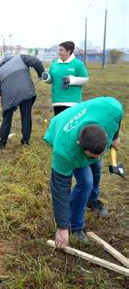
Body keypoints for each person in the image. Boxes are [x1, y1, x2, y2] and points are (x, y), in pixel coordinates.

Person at [43, 97, 123, 248]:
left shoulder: (113, 109)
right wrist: (62, 227)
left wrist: (116, 137)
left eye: (101, 153)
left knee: (97, 167)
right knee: (86, 182)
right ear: (81, 146)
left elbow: (118, 116)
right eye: (92, 156)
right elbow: (60, 189)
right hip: (60, 127)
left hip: (94, 116)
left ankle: (91, 200)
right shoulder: (65, 152)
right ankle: (75, 226)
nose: (98, 157)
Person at [0, 54, 45, 148]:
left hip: (9, 96)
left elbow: (0, 91)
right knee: (26, 116)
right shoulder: (21, 57)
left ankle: (2, 143)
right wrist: (41, 74)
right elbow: (36, 62)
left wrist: (10, 103)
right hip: (26, 91)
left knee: (7, 118)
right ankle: (25, 141)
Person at [41, 41, 89, 116]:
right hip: (57, 100)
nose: (59, 52)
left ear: (69, 51)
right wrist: (46, 78)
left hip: (72, 101)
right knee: (59, 124)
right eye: (58, 50)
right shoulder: (54, 64)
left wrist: (71, 80)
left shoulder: (78, 64)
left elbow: (85, 79)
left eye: (61, 50)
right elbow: (51, 80)